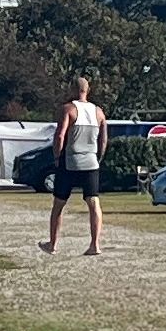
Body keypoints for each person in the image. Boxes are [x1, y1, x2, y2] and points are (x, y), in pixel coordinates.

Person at [41, 78, 110, 255]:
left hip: (70, 162)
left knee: (59, 204)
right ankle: (95, 244)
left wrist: (57, 157)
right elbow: (103, 140)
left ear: (73, 89)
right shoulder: (99, 112)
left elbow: (59, 136)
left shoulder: (68, 109)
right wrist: (98, 158)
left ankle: (53, 244)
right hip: (91, 162)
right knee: (94, 203)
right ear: (88, 90)